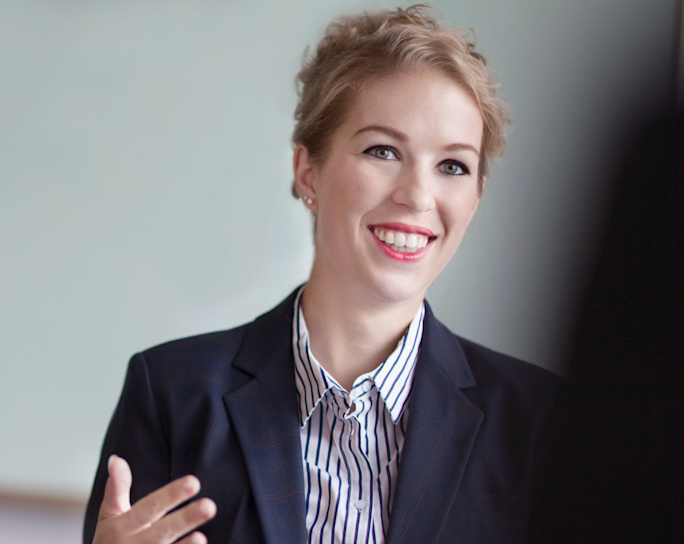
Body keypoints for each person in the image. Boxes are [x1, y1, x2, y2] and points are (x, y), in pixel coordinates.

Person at [83, 5, 561, 544]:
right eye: (383, 151)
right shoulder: (172, 394)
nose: (417, 196)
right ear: (308, 171)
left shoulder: (542, 423)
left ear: (474, 197)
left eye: (453, 166)